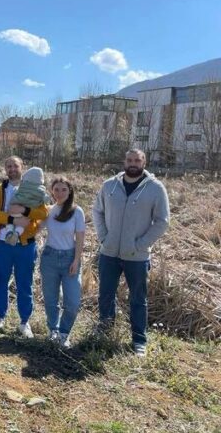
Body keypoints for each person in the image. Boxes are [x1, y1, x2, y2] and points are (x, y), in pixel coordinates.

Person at [93, 149, 169, 357]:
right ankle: (105, 330)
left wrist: (142, 244)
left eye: (137, 160)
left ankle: (138, 340)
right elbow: (97, 211)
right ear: (124, 162)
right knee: (106, 294)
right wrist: (103, 237)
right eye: (129, 160)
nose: (133, 163)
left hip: (137, 256)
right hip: (109, 252)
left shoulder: (155, 188)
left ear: (144, 162)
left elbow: (162, 221)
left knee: (138, 298)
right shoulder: (109, 185)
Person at [0, 156, 48, 336]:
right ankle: (0, 317)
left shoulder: (35, 189)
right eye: (8, 166)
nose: (12, 168)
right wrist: (12, 219)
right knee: (0, 280)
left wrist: (26, 211)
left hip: (25, 245)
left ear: (22, 167)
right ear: (5, 169)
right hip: (1, 243)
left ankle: (24, 322)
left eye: (15, 165)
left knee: (25, 283)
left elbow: (43, 212)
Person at [39, 176, 85, 348]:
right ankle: (53, 330)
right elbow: (36, 228)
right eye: (56, 189)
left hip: (69, 259)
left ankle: (64, 333)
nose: (59, 193)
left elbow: (80, 238)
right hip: (49, 258)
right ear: (51, 191)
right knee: (51, 299)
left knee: (72, 302)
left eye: (63, 189)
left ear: (70, 191)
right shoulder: (48, 210)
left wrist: (76, 260)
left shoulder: (76, 211)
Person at [2, 167, 50, 246]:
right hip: (26, 217)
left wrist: (22, 209)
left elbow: (44, 214)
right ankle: (17, 233)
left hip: (13, 211)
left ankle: (9, 232)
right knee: (23, 224)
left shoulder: (22, 186)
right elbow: (46, 205)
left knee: (10, 220)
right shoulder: (41, 190)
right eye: (9, 166)